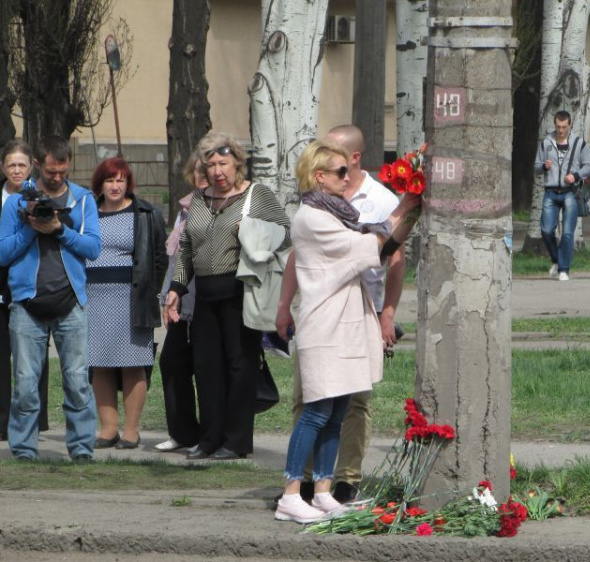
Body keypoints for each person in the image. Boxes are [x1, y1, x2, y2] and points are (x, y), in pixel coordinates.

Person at [274, 140, 421, 524]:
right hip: (325, 323)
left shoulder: (336, 212)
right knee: (317, 409)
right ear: (319, 177)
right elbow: (363, 247)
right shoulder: (312, 217)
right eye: (340, 172)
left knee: (338, 409)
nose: (347, 177)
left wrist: (409, 210)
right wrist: (401, 208)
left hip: (346, 322)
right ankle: (292, 492)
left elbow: (380, 248)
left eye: (347, 170)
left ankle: (323, 489)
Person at [163, 131, 291, 461]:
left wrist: (253, 232)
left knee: (239, 365)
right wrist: (176, 288)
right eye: (211, 164)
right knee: (206, 367)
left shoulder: (256, 195)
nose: (218, 170)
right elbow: (187, 248)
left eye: (224, 162)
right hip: (205, 293)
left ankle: (236, 441)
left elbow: (287, 235)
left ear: (237, 162)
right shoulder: (199, 198)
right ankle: (209, 439)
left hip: (240, 292)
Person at [0, 135, 101, 460]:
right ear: (38, 165)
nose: (57, 177)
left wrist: (59, 229)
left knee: (76, 381)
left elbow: (93, 248)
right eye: (51, 172)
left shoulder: (83, 199)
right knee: (26, 383)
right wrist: (31, 226)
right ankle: (25, 450)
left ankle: (82, 449)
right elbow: (2, 253)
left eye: (62, 171)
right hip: (27, 305)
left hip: (70, 302)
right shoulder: (17, 202)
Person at [86, 157, 167, 449]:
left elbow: (159, 257)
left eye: (120, 180)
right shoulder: (86, 212)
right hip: (93, 298)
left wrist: (152, 291)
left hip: (132, 298)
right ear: (100, 184)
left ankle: (131, 430)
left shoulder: (145, 213)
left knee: (134, 364)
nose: (115, 186)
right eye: (109, 180)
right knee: (100, 364)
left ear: (128, 183)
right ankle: (108, 429)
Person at [155, 150, 208, 452]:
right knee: (172, 362)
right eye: (198, 170)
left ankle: (213, 433)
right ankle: (183, 432)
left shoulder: (221, 207)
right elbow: (176, 259)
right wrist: (167, 297)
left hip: (207, 300)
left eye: (208, 170)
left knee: (206, 368)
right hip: (180, 300)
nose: (203, 175)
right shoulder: (185, 208)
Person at [0, 140, 51, 441]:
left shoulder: (42, 195)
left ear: (31, 165)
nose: (16, 170)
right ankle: (4, 419)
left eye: (21, 164)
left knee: (33, 354)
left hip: (33, 281)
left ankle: (36, 419)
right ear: (3, 167)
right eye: (10, 165)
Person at [534, 110, 590, 281]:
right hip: (550, 192)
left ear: (569, 125)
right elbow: (536, 167)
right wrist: (544, 167)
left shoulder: (579, 143)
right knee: (546, 230)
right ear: (555, 125)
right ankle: (556, 259)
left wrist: (575, 176)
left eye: (564, 127)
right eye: (558, 127)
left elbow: (589, 165)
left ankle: (563, 270)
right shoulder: (546, 143)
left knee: (568, 233)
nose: (561, 130)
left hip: (570, 192)